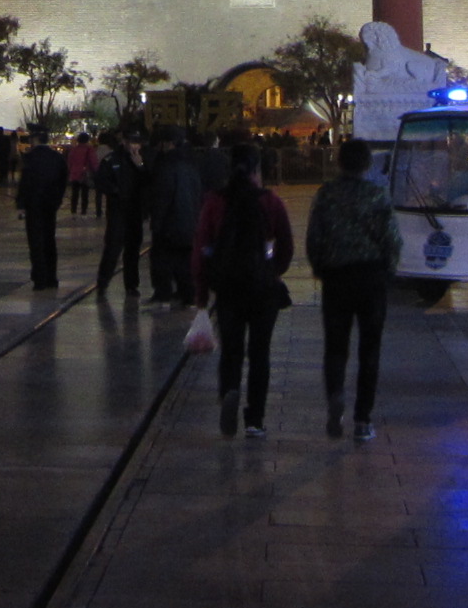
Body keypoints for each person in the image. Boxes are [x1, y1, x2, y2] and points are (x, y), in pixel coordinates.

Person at [194, 144, 295, 438]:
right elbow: (286, 247)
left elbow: (200, 250)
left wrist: (201, 296)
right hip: (263, 288)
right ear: (256, 171)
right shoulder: (271, 201)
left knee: (232, 350)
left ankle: (229, 391)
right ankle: (255, 420)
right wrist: (272, 271)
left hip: (227, 288)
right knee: (260, 354)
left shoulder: (214, 202)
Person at [306, 137, 401, 441]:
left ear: (338, 161)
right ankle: (363, 419)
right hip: (371, 278)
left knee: (335, 346)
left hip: (336, 278)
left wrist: (320, 268)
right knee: (369, 349)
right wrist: (389, 270)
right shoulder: (377, 196)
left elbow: (313, 238)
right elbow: (392, 240)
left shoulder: (326, 194)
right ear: (367, 164)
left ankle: (335, 395)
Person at [143, 127, 203, 309]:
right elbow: (198, 193)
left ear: (168, 143)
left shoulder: (165, 166)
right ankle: (188, 295)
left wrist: (156, 221)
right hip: (188, 220)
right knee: (185, 261)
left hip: (170, 222)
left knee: (162, 260)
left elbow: (162, 196)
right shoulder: (191, 164)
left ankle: (163, 295)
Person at [94, 133, 146, 303]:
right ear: (124, 142)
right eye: (132, 142)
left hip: (135, 211)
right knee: (113, 247)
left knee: (132, 249)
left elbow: (149, 182)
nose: (135, 147)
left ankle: (131, 284)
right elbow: (101, 182)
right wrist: (116, 191)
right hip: (117, 211)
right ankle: (103, 282)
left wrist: (141, 166)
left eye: (138, 143)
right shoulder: (112, 160)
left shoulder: (142, 160)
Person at [15, 130, 69, 290]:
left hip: (34, 204)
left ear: (35, 139)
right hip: (50, 204)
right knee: (49, 239)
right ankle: (52, 277)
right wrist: (58, 199)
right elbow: (63, 179)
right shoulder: (57, 157)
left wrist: (21, 204)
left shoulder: (30, 157)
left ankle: (40, 278)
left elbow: (25, 182)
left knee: (36, 241)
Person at [64, 133, 95, 217]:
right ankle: (83, 211)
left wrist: (69, 171)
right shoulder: (89, 149)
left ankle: (73, 211)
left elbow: (69, 161)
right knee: (85, 194)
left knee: (75, 193)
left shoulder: (74, 150)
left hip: (75, 174)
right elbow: (93, 161)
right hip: (85, 174)